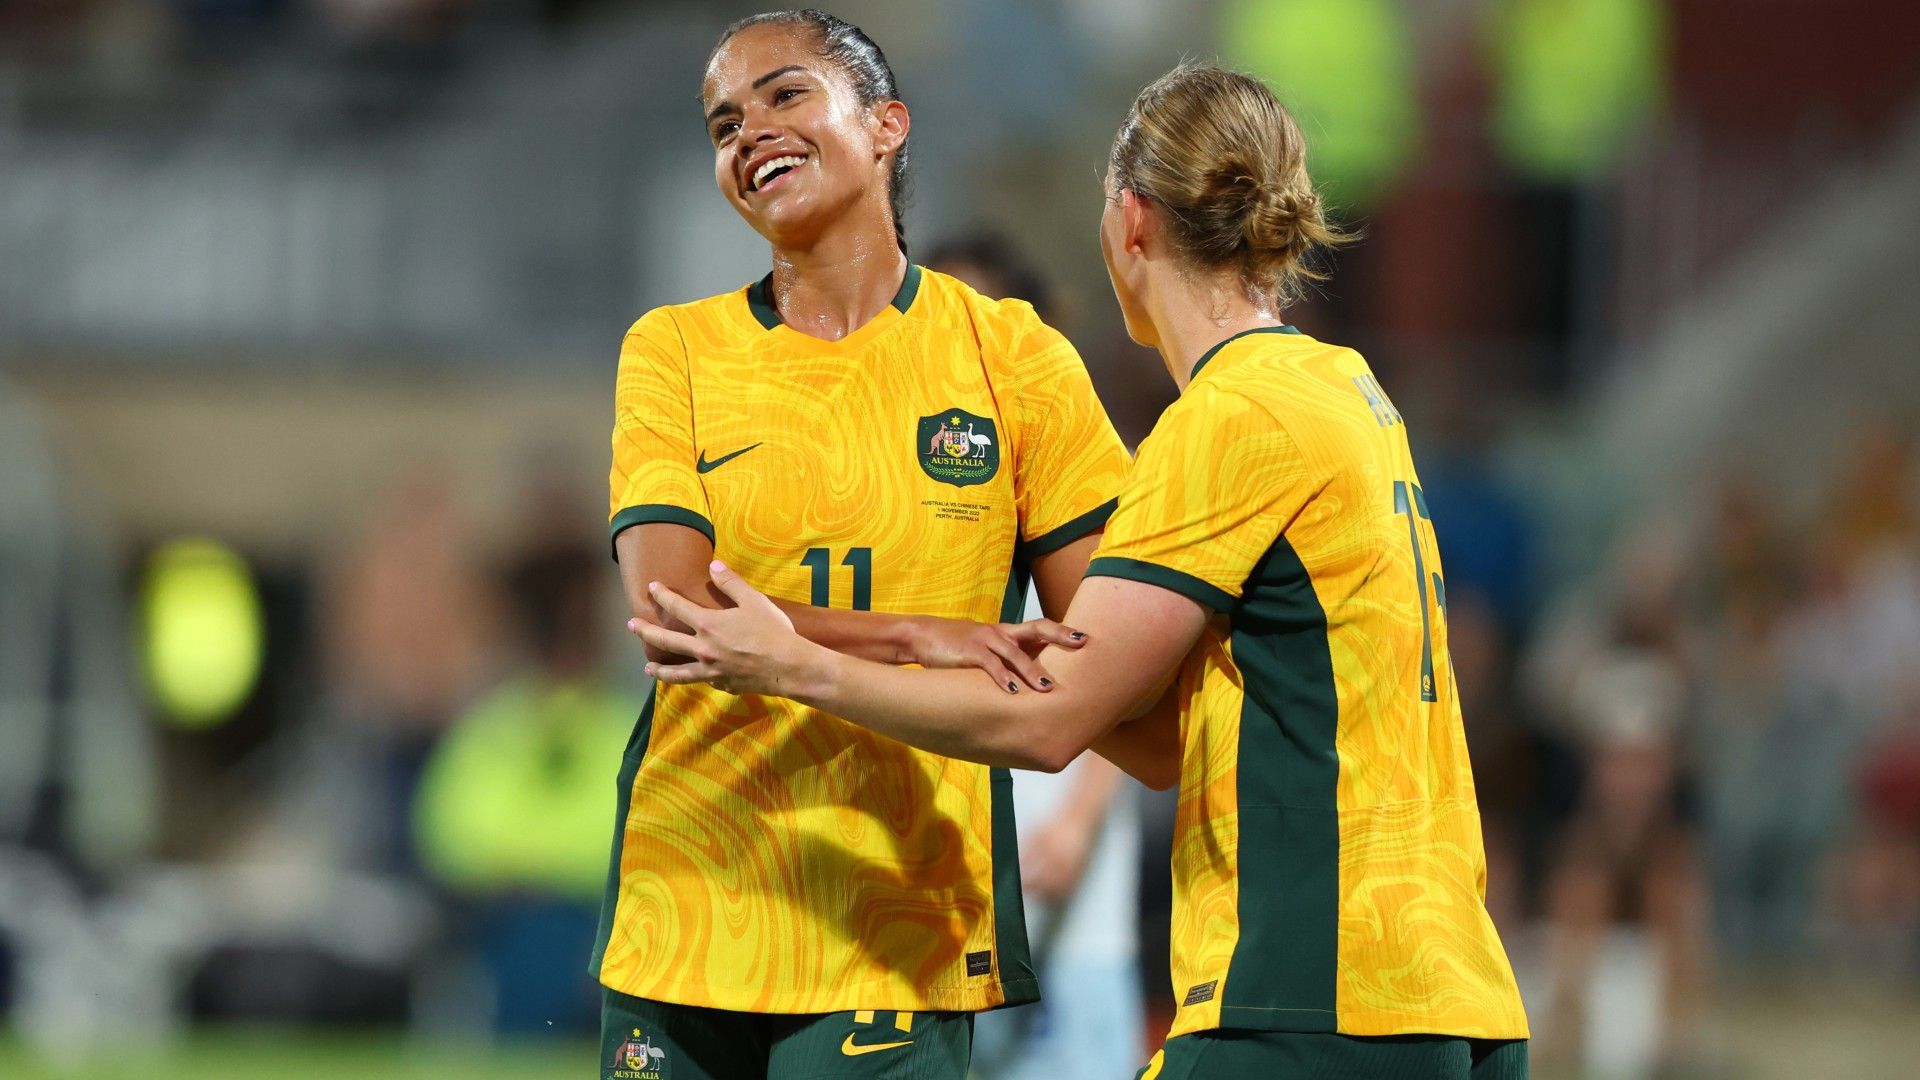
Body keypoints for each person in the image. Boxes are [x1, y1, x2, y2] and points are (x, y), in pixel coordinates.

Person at [636, 64, 1531, 1078]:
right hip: (1451, 988)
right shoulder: (1346, 389)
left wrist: (800, 665)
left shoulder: (1228, 418)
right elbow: (1158, 728)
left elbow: (1054, 717)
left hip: (1309, 987)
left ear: (1131, 221)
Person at [601, 10, 1131, 1080]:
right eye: (723, 124)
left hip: (902, 915)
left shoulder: (1015, 357)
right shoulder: (675, 351)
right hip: (690, 899)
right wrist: (922, 636)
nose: (749, 132)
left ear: (887, 124)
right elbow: (676, 617)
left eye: (786, 94)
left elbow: (1107, 646)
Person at [924, 234, 1145, 1080]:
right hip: (934, 900)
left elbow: (1129, 675)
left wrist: (1079, 822)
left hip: (1067, 899)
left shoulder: (1095, 483)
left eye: (976, 318)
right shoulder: (903, 490)